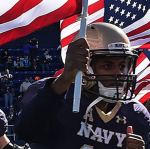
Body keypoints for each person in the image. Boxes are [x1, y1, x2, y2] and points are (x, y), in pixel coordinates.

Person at [14, 22, 150, 149]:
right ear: (85, 68)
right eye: (107, 65)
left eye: (122, 65)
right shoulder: (53, 92)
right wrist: (63, 80)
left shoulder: (136, 114)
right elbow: (26, 132)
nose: (119, 73)